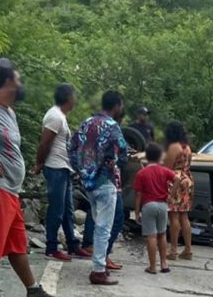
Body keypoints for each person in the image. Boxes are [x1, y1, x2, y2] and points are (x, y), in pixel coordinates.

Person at [0, 59, 52, 297]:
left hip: (11, 189)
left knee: (16, 243)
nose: (21, 84)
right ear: (6, 81)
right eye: (18, 79)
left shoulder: (8, 111)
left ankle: (33, 290)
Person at [68, 90, 128, 285]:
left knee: (97, 225)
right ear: (117, 105)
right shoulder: (112, 126)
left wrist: (82, 169)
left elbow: (71, 149)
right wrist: (115, 162)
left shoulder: (86, 123)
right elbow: (124, 151)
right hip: (105, 181)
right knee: (104, 228)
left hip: (88, 183)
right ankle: (98, 271)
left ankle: (99, 265)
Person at [35, 83, 87, 261]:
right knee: (56, 210)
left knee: (67, 210)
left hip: (63, 168)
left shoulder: (61, 116)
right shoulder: (55, 116)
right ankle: (51, 247)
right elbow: (44, 143)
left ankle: (72, 244)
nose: (76, 101)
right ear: (69, 98)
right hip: (55, 167)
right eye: (74, 97)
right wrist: (39, 163)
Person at [133, 143, 181, 274]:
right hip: (162, 205)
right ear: (160, 156)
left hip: (149, 205)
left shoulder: (141, 173)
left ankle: (152, 266)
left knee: (151, 237)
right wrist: (171, 196)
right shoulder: (164, 170)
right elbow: (178, 179)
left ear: (147, 157)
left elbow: (138, 194)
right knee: (162, 234)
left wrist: (137, 212)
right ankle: (164, 264)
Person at [164, 121, 195, 260]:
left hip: (176, 180)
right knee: (184, 216)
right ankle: (188, 249)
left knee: (174, 216)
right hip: (187, 179)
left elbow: (167, 167)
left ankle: (173, 249)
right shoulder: (186, 147)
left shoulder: (173, 147)